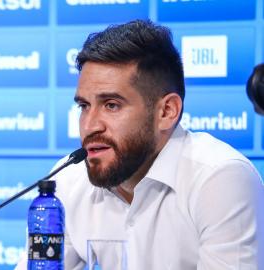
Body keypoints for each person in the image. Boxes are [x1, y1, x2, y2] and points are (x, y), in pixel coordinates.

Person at [16, 19, 264, 269]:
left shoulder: (220, 178)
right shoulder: (68, 180)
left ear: (167, 111)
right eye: (84, 106)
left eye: (111, 105)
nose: (90, 126)